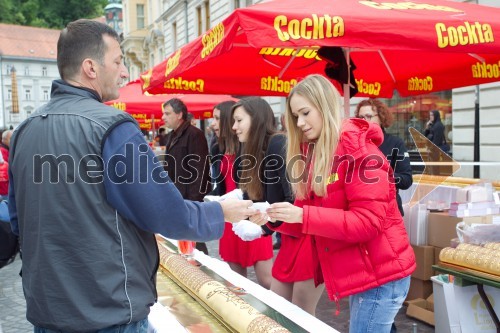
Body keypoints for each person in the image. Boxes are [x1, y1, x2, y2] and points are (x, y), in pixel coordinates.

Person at [7, 19, 255, 333]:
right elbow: (165, 213)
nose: (124, 71)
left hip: (48, 310)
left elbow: (21, 222)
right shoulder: (112, 127)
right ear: (91, 68)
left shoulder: (24, 132)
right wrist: (220, 211)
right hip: (107, 310)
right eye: (118, 61)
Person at [266, 74, 416, 332]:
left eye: (305, 113)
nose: (300, 123)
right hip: (367, 270)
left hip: (383, 274)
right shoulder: (322, 153)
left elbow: (368, 223)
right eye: (295, 116)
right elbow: (316, 216)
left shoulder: (361, 152)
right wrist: (274, 217)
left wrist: (302, 216)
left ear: (324, 105)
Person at [231, 97, 293, 289]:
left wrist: (262, 228)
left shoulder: (278, 143)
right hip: (286, 238)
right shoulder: (249, 151)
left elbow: (292, 197)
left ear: (256, 120)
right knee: (281, 304)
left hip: (299, 237)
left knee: (295, 309)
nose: (234, 126)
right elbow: (255, 199)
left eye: (239, 120)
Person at [162, 98, 212, 255]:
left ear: (179, 114)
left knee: (195, 241)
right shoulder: (172, 135)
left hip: (189, 199)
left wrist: (194, 201)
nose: (163, 117)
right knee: (184, 239)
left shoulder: (194, 134)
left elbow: (201, 170)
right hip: (177, 197)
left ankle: (202, 268)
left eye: (167, 113)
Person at [355, 99, 413, 217]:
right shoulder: (354, 144)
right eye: (360, 117)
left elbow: (406, 179)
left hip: (389, 212)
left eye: (368, 116)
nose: (364, 121)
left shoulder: (395, 143)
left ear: (381, 118)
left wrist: (383, 176)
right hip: (361, 212)